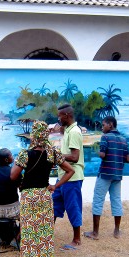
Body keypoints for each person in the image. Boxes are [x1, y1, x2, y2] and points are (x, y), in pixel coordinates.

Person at [11, 121, 74, 257]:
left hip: (29, 196)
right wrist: (55, 186)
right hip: (45, 195)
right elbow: (70, 170)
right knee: (44, 230)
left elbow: (13, 175)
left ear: (33, 135)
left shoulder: (25, 154)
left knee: (29, 230)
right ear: (46, 134)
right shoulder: (53, 153)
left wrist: (21, 181)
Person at [84, 116, 129, 240]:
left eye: (103, 125)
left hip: (105, 174)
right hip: (117, 175)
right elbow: (127, 159)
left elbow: (103, 155)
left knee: (98, 201)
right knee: (116, 200)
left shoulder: (105, 137)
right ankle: (116, 231)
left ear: (110, 125)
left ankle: (95, 233)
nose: (102, 127)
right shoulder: (123, 139)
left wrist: (97, 151)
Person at [52, 104, 85, 248]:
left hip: (72, 178)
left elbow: (75, 157)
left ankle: (77, 239)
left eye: (60, 116)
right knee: (53, 206)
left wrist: (56, 156)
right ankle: (45, 233)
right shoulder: (69, 130)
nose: (58, 118)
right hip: (62, 176)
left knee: (73, 207)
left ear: (66, 115)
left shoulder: (75, 132)